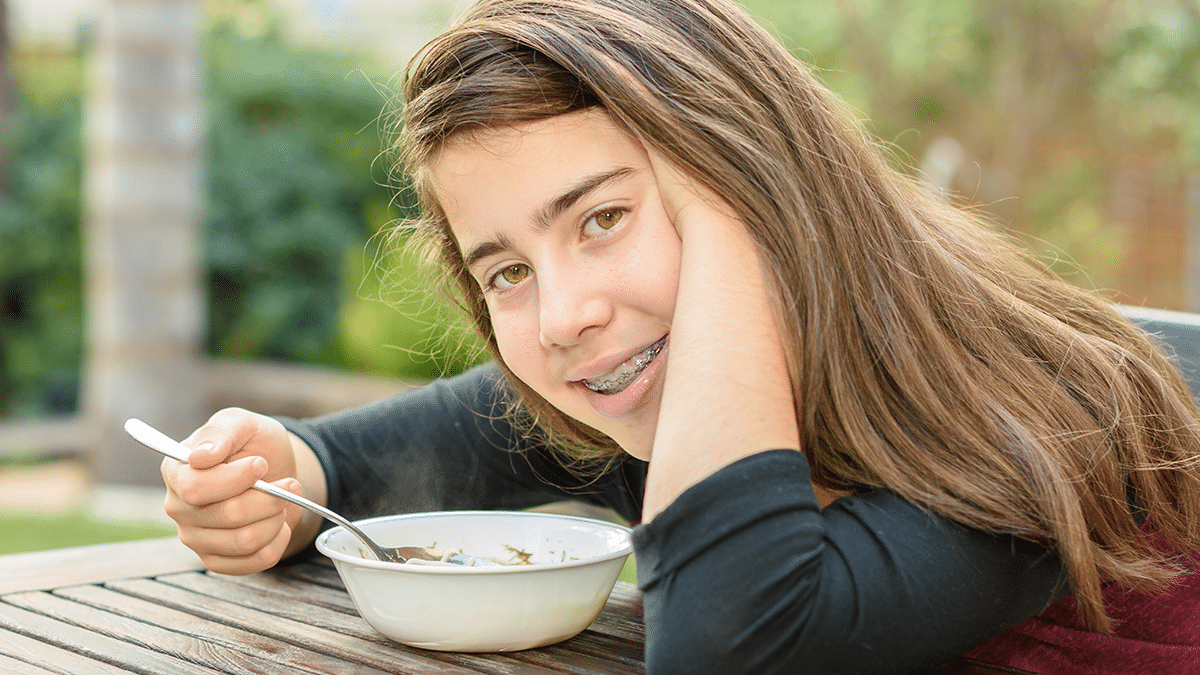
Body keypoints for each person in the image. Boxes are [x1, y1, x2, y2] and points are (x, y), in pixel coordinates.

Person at [160, 0, 1200, 672]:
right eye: (508, 272)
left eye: (604, 218)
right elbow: (365, 461)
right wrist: (281, 482)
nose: (564, 316)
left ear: (749, 193)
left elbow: (729, 654)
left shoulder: (1027, 426)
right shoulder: (628, 385)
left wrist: (737, 216)